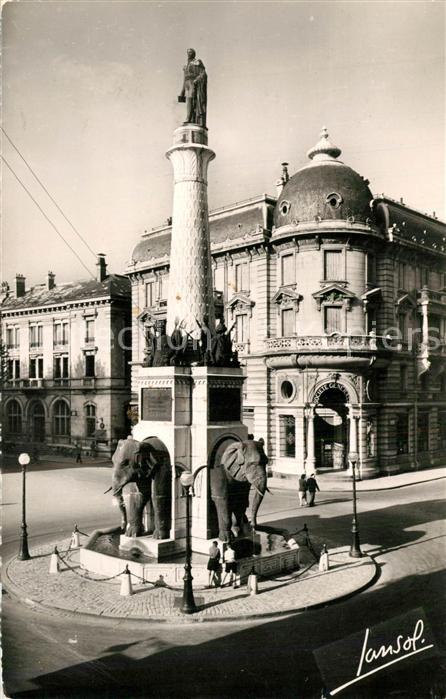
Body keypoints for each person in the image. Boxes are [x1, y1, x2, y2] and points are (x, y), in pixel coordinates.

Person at [178, 48, 207, 127]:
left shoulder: (197, 62)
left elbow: (203, 73)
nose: (189, 54)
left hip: (193, 82)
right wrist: (182, 91)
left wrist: (197, 80)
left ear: (194, 53)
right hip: (187, 83)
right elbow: (184, 79)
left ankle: (189, 118)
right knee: (189, 100)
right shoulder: (186, 66)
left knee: (191, 99)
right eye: (188, 52)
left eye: (190, 52)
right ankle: (190, 118)